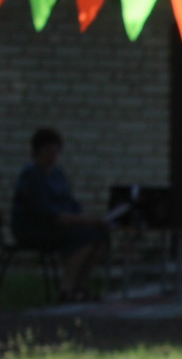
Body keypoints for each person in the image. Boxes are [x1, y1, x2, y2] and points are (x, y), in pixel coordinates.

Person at [10, 128, 110, 302]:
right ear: (37, 153)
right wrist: (85, 221)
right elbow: (49, 213)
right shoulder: (31, 175)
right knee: (85, 239)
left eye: (55, 152)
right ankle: (66, 289)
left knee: (101, 236)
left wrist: (91, 220)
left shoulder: (58, 174)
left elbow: (72, 206)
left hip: (59, 227)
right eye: (47, 152)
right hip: (35, 230)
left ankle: (80, 286)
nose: (52, 157)